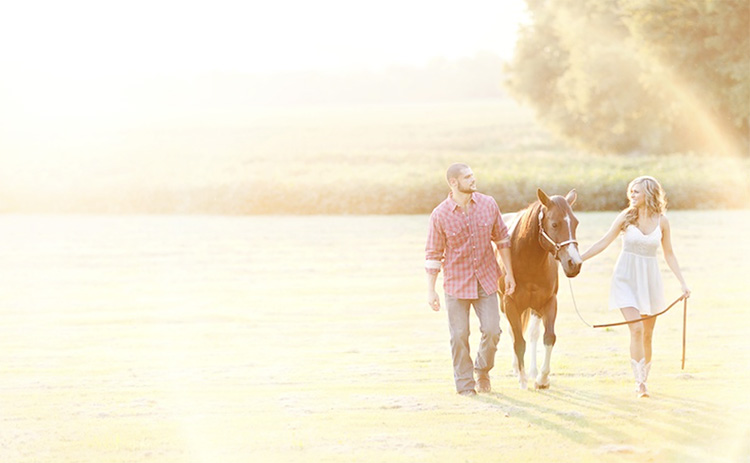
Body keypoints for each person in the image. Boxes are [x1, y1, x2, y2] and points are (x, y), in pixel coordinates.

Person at [581, 176, 690, 398]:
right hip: (625, 278)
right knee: (637, 329)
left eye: (636, 192)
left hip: (649, 280)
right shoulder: (626, 217)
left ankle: (645, 378)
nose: (632, 195)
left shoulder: (662, 221)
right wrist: (579, 258)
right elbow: (603, 242)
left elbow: (669, 253)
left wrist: (682, 282)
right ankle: (639, 383)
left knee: (648, 334)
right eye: (631, 191)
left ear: (649, 193)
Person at [425, 163, 516, 396]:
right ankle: (465, 385)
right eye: (467, 177)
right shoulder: (440, 215)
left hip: (486, 279)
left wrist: (510, 275)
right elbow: (433, 255)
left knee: (493, 330)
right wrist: (431, 290)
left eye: (473, 175)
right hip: (456, 285)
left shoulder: (488, 204)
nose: (473, 180)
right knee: (459, 336)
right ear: (453, 183)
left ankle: (482, 370)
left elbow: (503, 240)